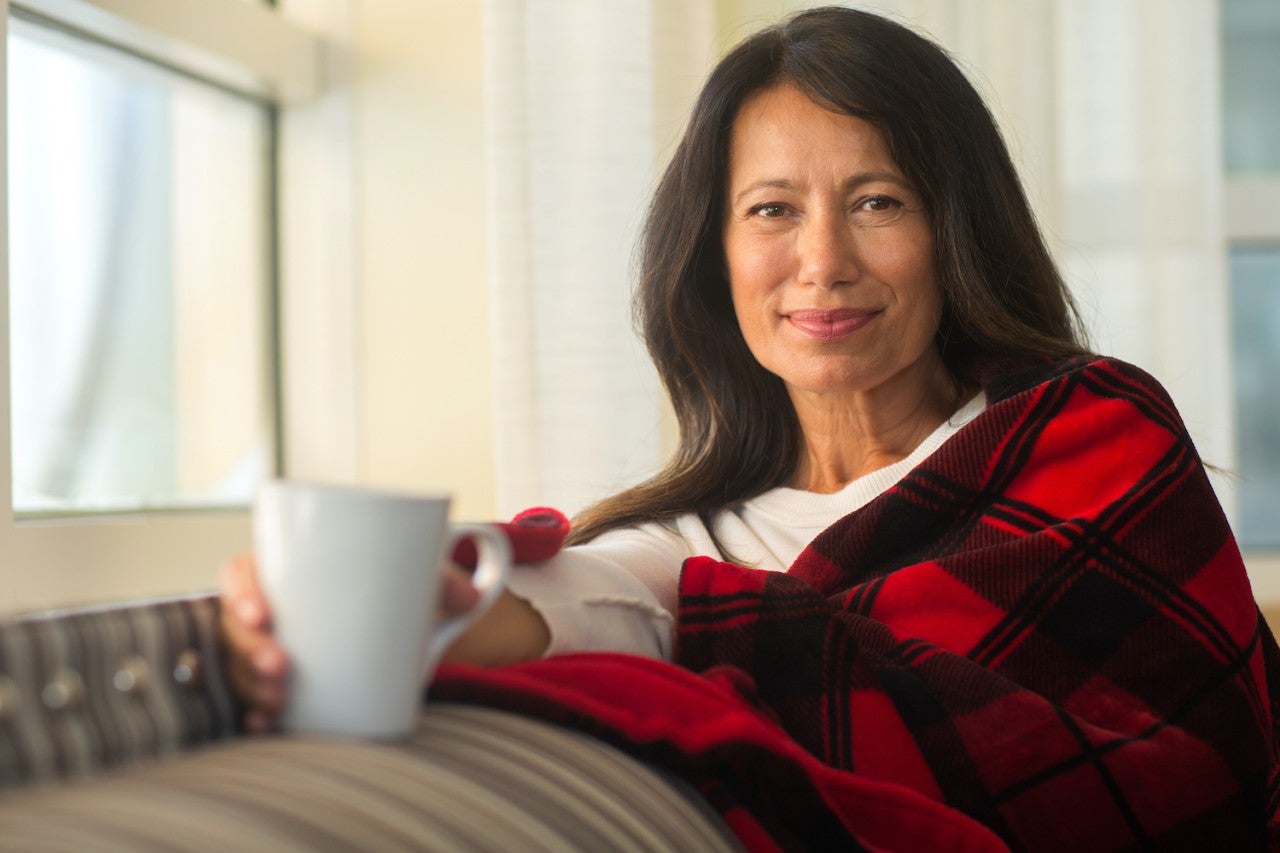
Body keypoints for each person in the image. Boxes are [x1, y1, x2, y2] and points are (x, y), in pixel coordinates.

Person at [222, 6, 1280, 848]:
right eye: (772, 210)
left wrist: (747, 634)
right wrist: (361, 609)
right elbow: (590, 600)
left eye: (877, 202)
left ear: (956, 229)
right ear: (713, 254)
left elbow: (1196, 780)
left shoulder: (1092, 436)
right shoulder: (683, 545)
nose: (822, 262)